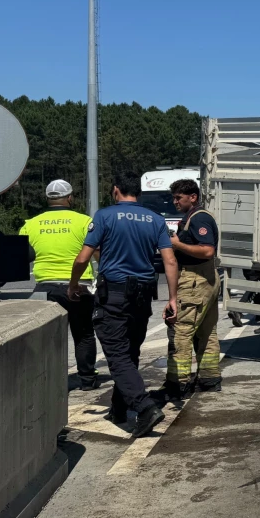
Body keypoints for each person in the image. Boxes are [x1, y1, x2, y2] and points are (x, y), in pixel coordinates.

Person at [68, 174, 178, 438]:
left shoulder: (105, 216)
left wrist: (73, 284)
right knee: (130, 352)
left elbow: (84, 257)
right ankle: (118, 407)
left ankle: (144, 406)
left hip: (114, 294)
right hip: (142, 295)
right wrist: (173, 298)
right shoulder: (155, 219)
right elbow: (170, 261)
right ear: (137, 193)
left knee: (117, 354)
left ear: (116, 190)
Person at [18, 180, 99, 387]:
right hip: (79, 285)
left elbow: (22, 256)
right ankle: (88, 379)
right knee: (83, 333)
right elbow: (98, 254)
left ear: (48, 198)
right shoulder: (84, 221)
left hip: (46, 287)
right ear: (70, 198)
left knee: (50, 337)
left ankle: (50, 379)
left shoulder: (31, 224)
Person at [161, 178, 221, 398]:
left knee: (181, 332)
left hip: (196, 281)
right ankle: (209, 378)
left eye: (179, 198)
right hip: (206, 281)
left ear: (192, 197)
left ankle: (179, 383)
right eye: (174, 198)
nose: (175, 202)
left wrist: (177, 245)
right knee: (207, 332)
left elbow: (207, 251)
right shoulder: (192, 218)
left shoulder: (199, 218)